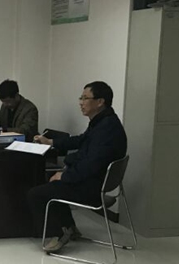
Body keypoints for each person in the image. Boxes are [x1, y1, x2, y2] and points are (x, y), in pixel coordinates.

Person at [28, 81, 127, 253]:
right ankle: (69, 227)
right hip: (94, 180)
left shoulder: (107, 129)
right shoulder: (102, 121)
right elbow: (81, 140)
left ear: (100, 102)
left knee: (36, 194)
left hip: (92, 186)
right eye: (81, 98)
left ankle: (59, 233)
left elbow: (91, 164)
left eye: (85, 98)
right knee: (51, 181)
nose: (81, 102)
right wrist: (51, 142)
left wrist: (65, 176)